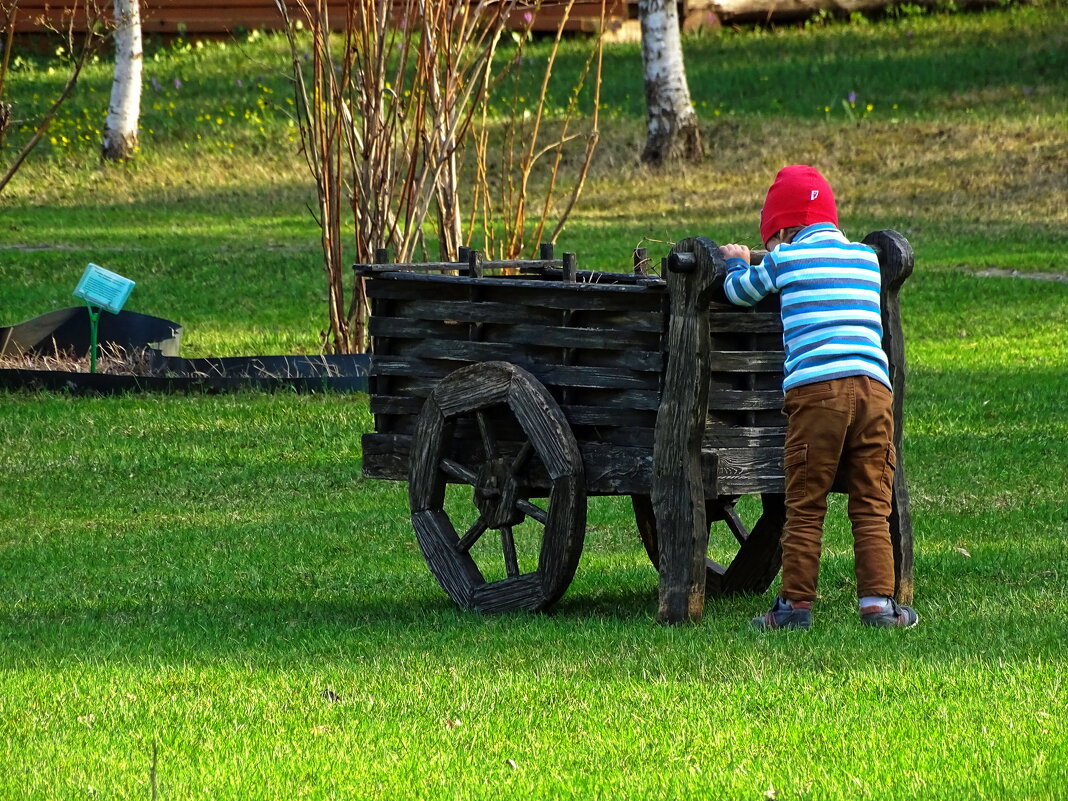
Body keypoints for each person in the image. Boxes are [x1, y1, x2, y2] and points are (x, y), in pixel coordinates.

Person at [718, 164, 918, 630]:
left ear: (783, 229)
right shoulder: (866, 259)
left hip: (818, 395)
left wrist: (734, 259)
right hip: (873, 390)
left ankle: (794, 606)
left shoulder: (784, 259)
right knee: (872, 499)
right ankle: (878, 605)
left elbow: (738, 292)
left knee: (806, 502)